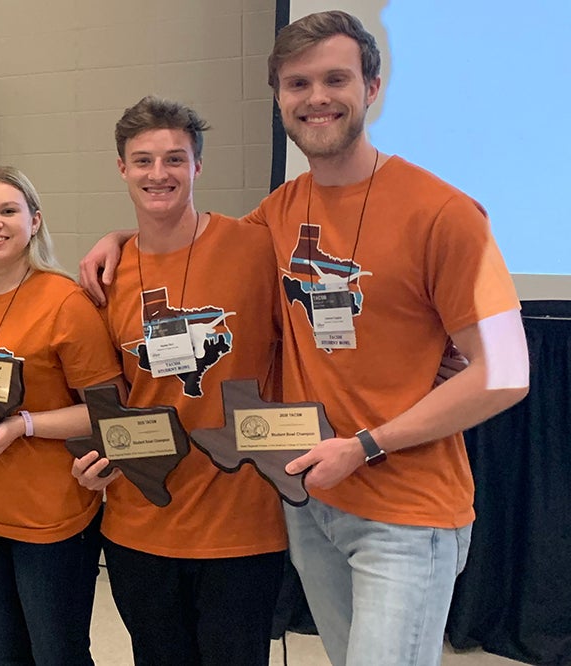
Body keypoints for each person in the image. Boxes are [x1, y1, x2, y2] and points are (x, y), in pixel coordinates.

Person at [78, 11, 530, 666]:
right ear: (280, 97)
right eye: (297, 84)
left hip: (405, 510)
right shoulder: (282, 212)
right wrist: (118, 239)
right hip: (313, 505)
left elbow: (508, 370)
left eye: (335, 79)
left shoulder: (447, 213)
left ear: (372, 87)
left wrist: (368, 444)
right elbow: (189, 241)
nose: (317, 97)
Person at [71, 96, 287, 666]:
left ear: (197, 165)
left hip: (243, 524)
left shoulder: (256, 248)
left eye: (174, 159)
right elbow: (105, 398)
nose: (158, 174)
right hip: (140, 522)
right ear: (122, 168)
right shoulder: (106, 280)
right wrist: (90, 458)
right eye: (143, 161)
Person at [0, 166, 125, 665]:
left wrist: (25, 424)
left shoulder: (64, 301)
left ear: (34, 221)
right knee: (2, 655)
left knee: (56, 654)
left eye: (7, 211)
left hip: (51, 519)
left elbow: (108, 412)